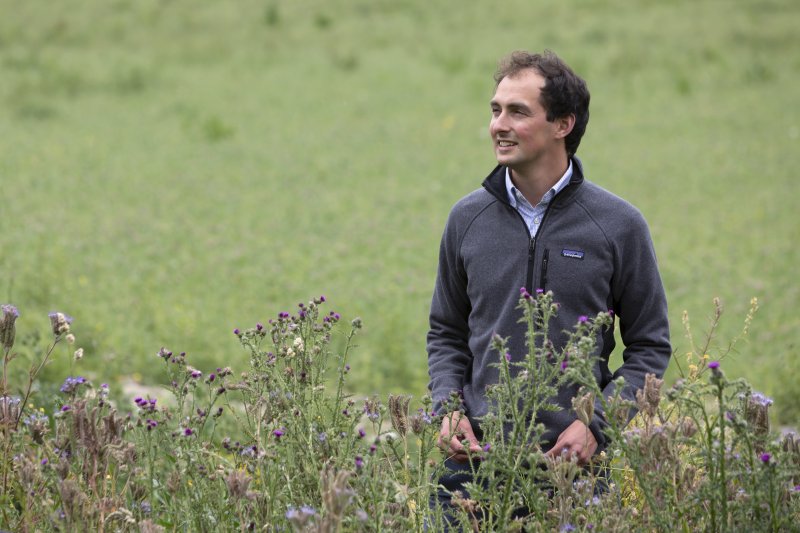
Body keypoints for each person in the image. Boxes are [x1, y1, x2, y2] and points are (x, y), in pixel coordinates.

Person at [426, 50, 671, 513]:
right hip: (471, 467)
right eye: (495, 110)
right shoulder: (466, 218)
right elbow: (446, 333)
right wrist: (448, 409)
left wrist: (597, 425)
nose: (499, 124)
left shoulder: (618, 225)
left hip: (571, 471)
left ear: (563, 124)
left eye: (518, 111)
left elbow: (650, 348)